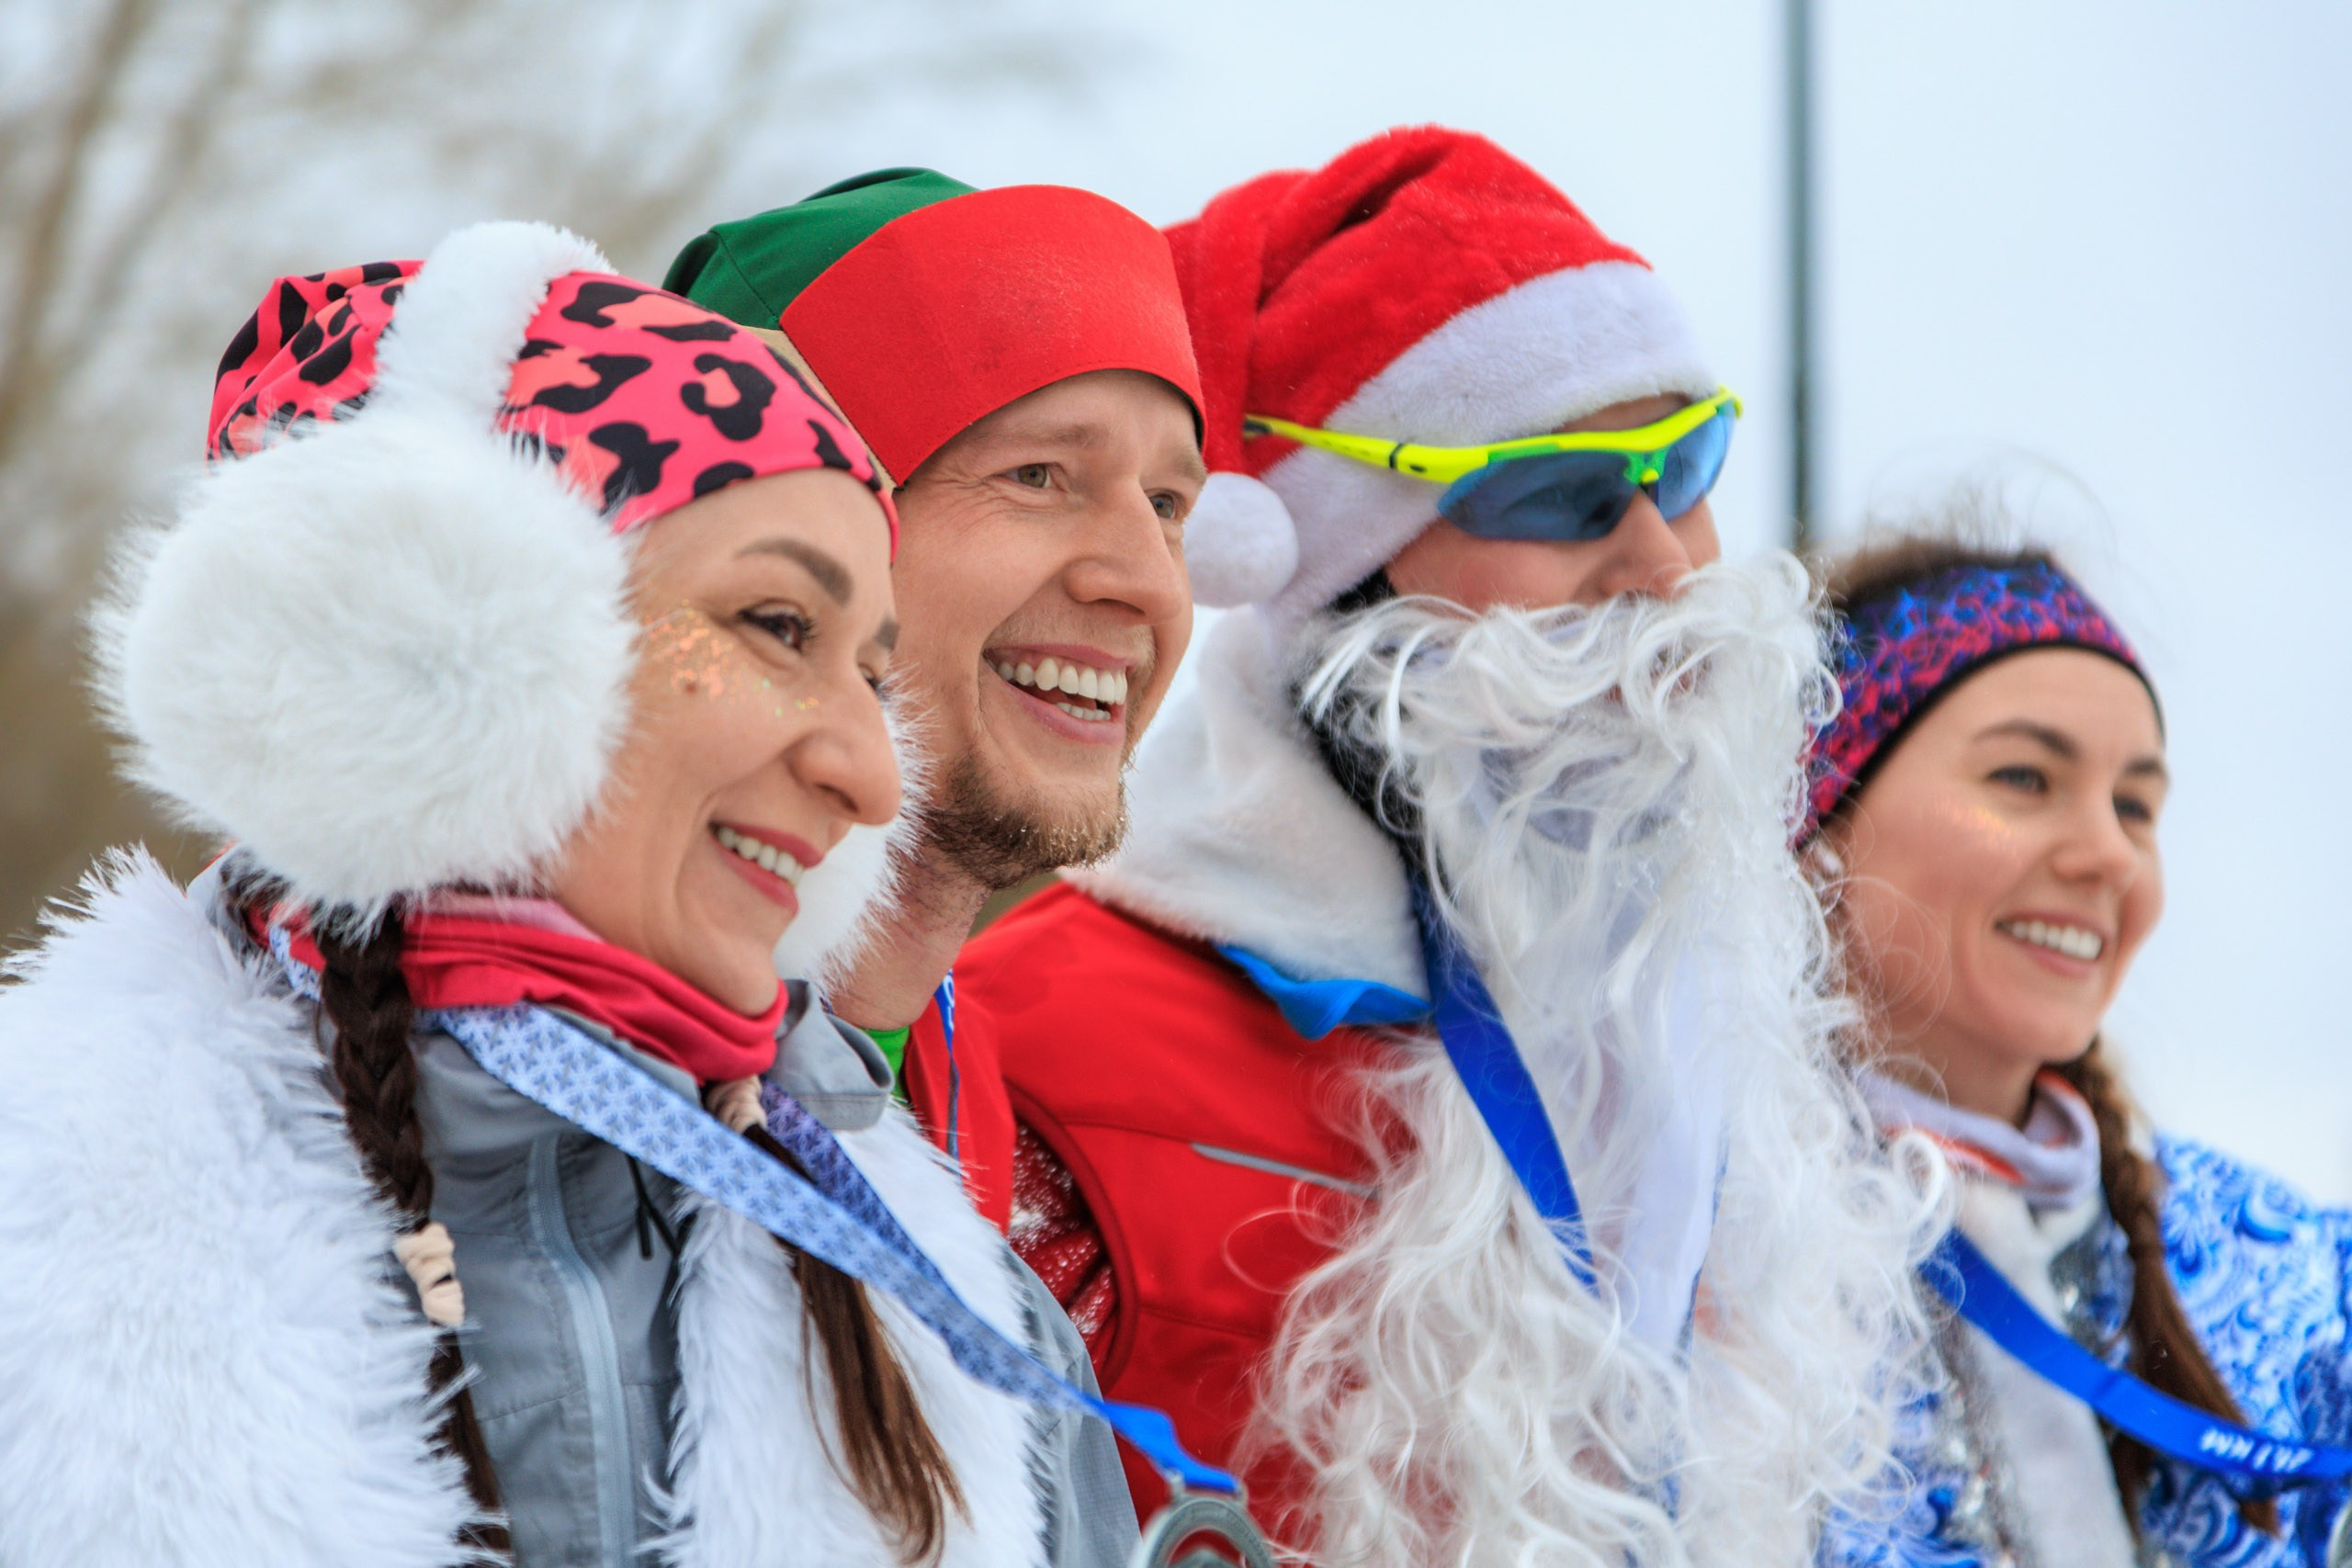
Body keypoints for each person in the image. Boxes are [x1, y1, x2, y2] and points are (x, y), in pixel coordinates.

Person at [0, 221, 1135, 1568]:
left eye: (872, 677)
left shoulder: (962, 1324)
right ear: (447, 636)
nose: (869, 778)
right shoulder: (40, 1223)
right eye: (780, 627)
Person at [954, 127, 1936, 1564]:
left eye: (1689, 463)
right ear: (1349, 578)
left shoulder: (1726, 1043)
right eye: (1559, 494)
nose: (1662, 561)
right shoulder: (1033, 1028)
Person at [664, 171, 1205, 1235]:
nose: (1148, 579)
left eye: (1167, 503)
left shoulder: (991, 1118)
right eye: (1039, 474)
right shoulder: (496, 1079)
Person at [1805, 536, 2352, 1567]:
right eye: (2024, 776)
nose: (2108, 851)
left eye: (2135, 806)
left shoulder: (2292, 1273)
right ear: (1815, 820)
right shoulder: (1665, 1257)